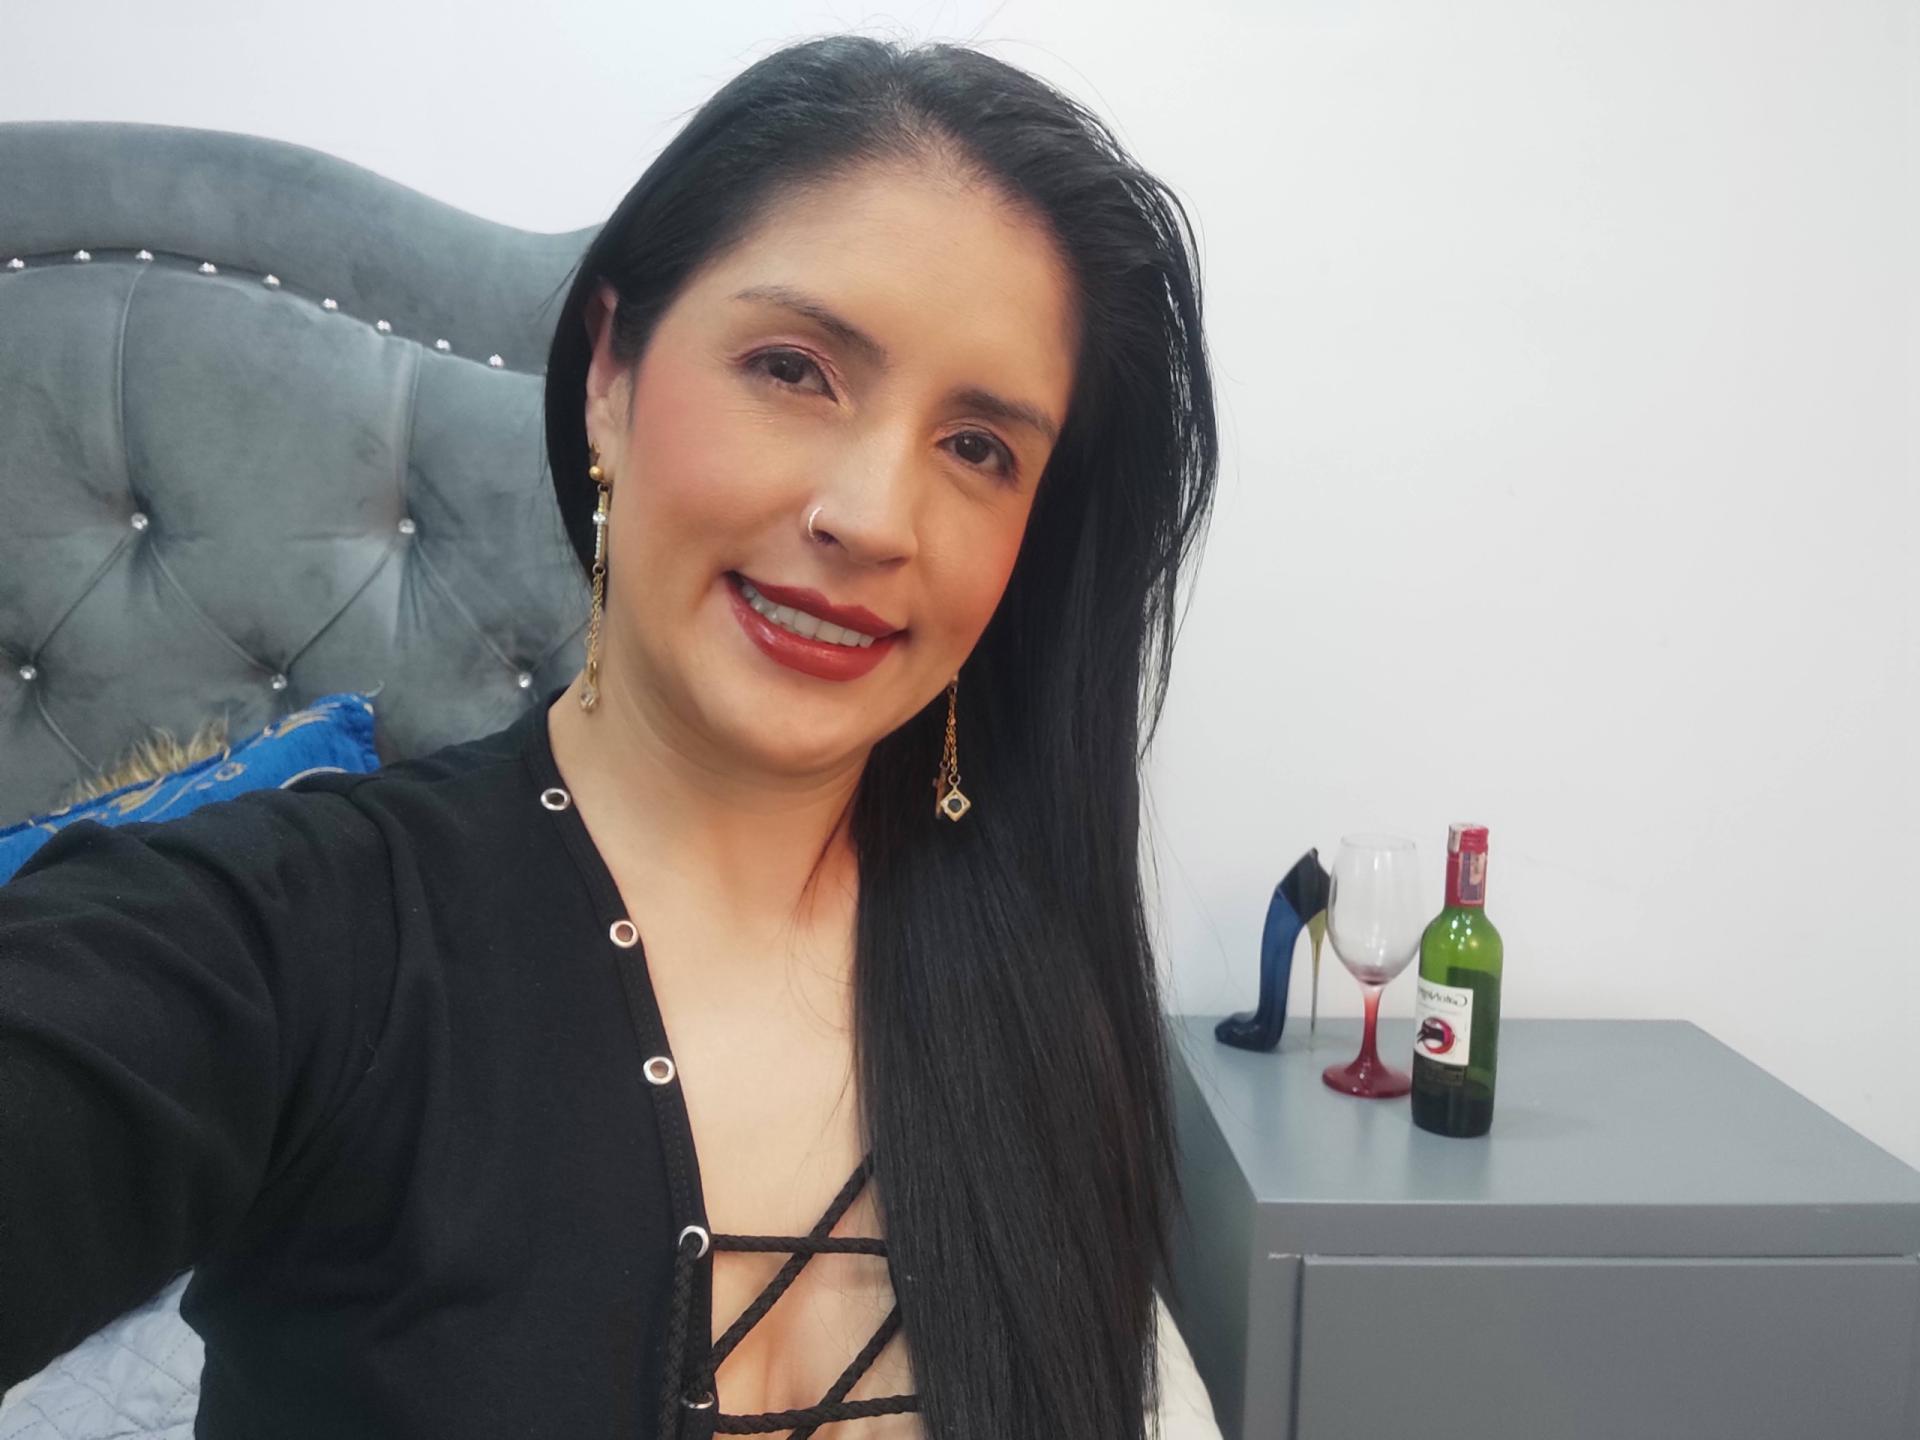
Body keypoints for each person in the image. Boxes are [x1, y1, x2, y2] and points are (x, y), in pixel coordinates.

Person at [0, 32, 1217, 1440]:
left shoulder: (1034, 978)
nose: (874, 518)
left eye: (979, 448)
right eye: (794, 367)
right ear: (610, 376)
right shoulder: (297, 934)